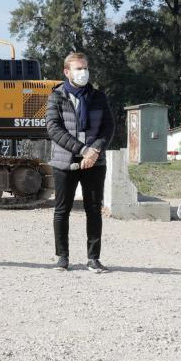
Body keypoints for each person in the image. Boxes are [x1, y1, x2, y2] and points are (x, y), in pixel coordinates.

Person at [45, 51, 114, 273]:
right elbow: (54, 129)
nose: (83, 72)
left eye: (85, 68)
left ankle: (93, 258)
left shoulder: (98, 97)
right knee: (61, 209)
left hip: (95, 162)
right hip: (64, 162)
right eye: (78, 68)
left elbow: (109, 127)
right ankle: (62, 257)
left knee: (93, 209)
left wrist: (94, 151)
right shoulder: (56, 96)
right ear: (67, 72)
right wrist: (83, 150)